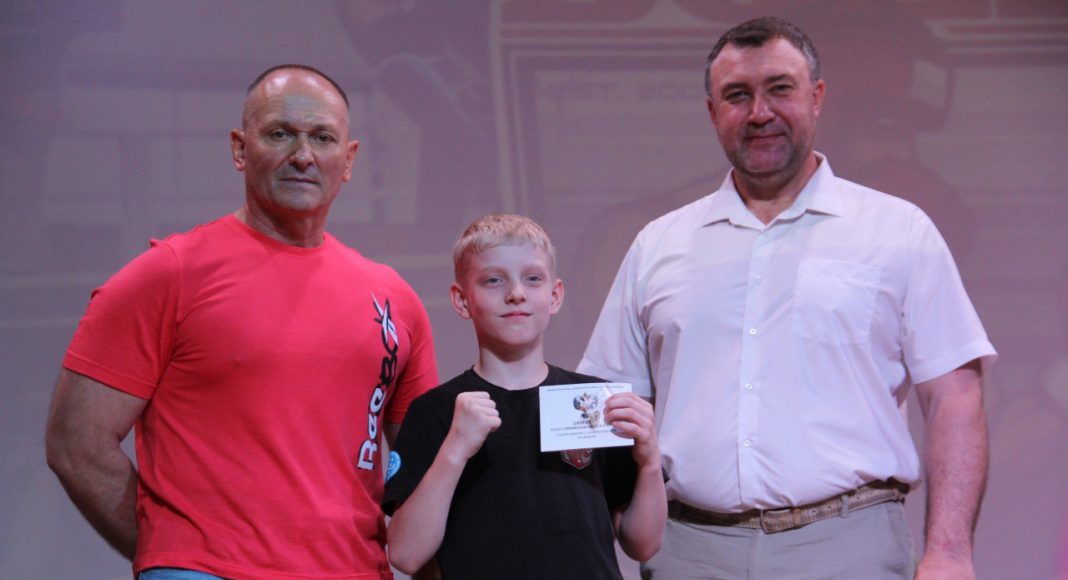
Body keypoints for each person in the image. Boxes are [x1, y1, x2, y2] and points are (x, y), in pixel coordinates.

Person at [579, 17, 996, 580]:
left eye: (780, 88)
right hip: (687, 550)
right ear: (712, 112)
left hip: (849, 547)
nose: (760, 113)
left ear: (817, 97)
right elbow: (607, 405)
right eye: (737, 95)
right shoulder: (658, 244)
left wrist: (949, 553)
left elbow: (955, 397)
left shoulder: (898, 230)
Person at [44, 64, 439, 579]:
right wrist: (174, 552)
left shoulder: (394, 299)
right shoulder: (169, 275)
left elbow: (424, 479)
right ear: (239, 148)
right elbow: (75, 444)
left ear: (348, 159)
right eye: (280, 133)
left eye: (322, 137)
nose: (303, 155)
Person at [381, 214, 666, 579]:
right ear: (462, 300)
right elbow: (406, 554)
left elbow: (643, 544)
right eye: (493, 280)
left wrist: (649, 461)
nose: (516, 293)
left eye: (532, 278)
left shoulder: (593, 402)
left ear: (555, 295)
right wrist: (455, 449)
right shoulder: (436, 411)